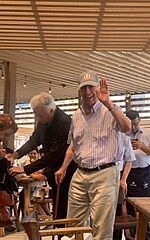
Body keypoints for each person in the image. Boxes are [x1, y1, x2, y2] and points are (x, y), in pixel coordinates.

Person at [55, 70, 131, 240]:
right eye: (84, 88)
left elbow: (127, 128)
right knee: (73, 225)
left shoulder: (111, 110)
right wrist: (63, 168)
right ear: (80, 90)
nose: (88, 91)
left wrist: (108, 103)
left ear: (98, 88)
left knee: (101, 227)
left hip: (105, 174)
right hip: (80, 173)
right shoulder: (76, 116)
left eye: (91, 87)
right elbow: (73, 146)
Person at [8, 93, 77, 223]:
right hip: (53, 170)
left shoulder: (64, 122)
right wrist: (15, 155)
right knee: (57, 207)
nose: (37, 118)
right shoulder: (44, 121)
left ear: (51, 110)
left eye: (39, 115)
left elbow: (53, 155)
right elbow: (33, 141)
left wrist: (25, 169)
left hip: (67, 170)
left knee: (64, 207)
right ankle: (58, 231)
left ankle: (63, 233)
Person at [126, 110, 150, 240]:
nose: (133, 127)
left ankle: (146, 234)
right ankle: (133, 234)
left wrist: (141, 146)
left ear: (139, 120)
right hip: (129, 172)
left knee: (146, 205)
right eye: (131, 124)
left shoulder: (148, 133)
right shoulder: (124, 133)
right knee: (130, 205)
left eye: (135, 124)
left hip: (145, 171)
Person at [113, 133, 135, 240]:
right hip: (100, 174)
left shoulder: (123, 135)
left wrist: (123, 179)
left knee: (117, 212)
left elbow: (129, 160)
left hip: (118, 174)